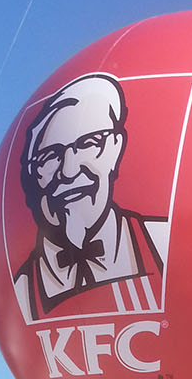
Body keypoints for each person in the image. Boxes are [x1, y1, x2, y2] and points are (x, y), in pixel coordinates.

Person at [12, 72, 168, 322]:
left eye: (89, 144)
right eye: (49, 156)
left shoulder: (164, 244)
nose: (69, 170)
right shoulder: (18, 291)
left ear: (116, 148)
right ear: (33, 174)